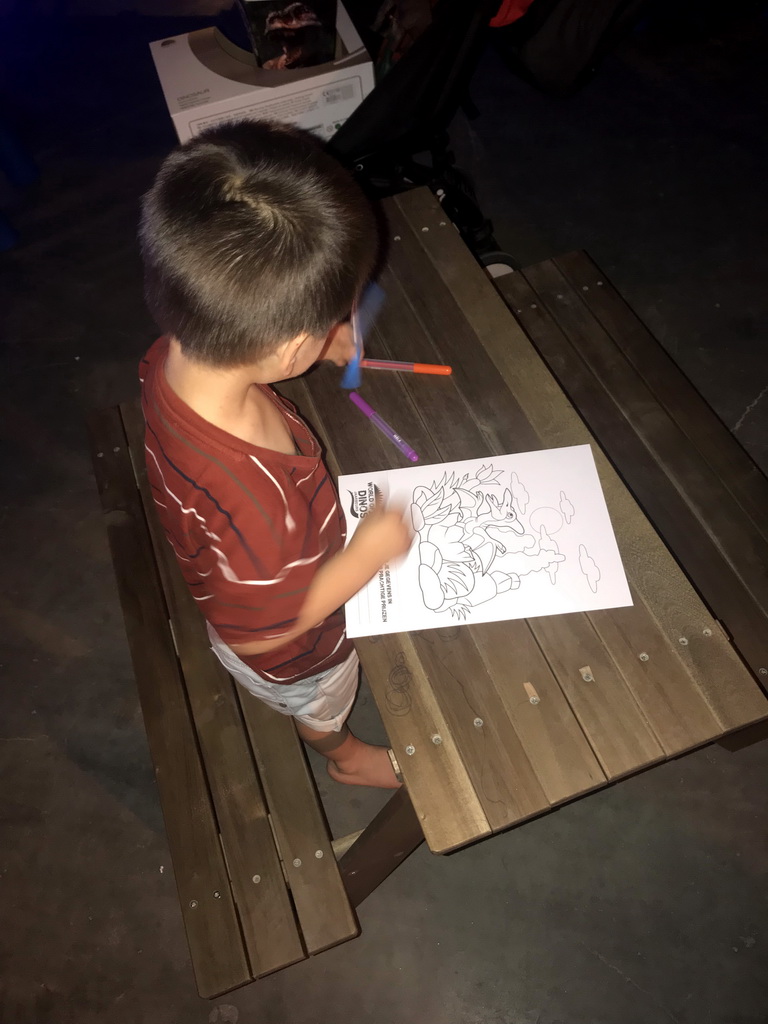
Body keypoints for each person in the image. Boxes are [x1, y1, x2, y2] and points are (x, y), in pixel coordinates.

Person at [138, 120, 412, 789]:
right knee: (318, 705)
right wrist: (370, 553)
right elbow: (269, 629)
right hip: (296, 650)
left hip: (242, 567)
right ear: (288, 347)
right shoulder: (257, 505)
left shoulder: (173, 354)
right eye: (323, 328)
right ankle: (344, 758)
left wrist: (321, 342)